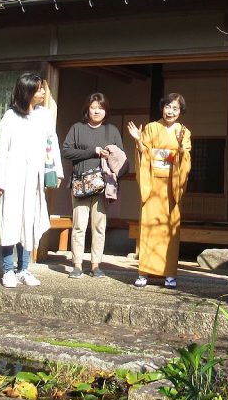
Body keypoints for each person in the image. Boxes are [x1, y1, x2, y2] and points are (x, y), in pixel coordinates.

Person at [0, 72, 61, 288]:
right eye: (39, 89)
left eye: (43, 88)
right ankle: (7, 270)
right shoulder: (10, 117)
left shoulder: (45, 115)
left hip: (34, 178)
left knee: (29, 222)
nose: (43, 92)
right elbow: (2, 149)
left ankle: (24, 269)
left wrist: (55, 172)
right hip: (12, 176)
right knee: (11, 222)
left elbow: (52, 144)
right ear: (27, 92)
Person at [126, 93, 192, 289]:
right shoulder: (151, 128)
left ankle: (169, 273)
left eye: (175, 108)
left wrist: (180, 149)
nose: (170, 111)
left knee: (169, 231)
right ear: (162, 108)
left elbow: (186, 159)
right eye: (167, 107)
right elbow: (144, 153)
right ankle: (143, 272)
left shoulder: (184, 132)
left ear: (180, 112)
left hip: (171, 188)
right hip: (152, 185)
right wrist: (138, 141)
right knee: (148, 228)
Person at [61, 92, 126, 279]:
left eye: (101, 108)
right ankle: (77, 265)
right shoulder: (77, 128)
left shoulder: (112, 131)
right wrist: (93, 151)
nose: (97, 111)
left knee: (99, 226)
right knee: (79, 226)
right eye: (93, 107)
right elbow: (66, 151)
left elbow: (121, 159)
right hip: (80, 184)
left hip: (102, 185)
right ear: (87, 109)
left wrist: (110, 156)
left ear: (106, 111)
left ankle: (96, 265)